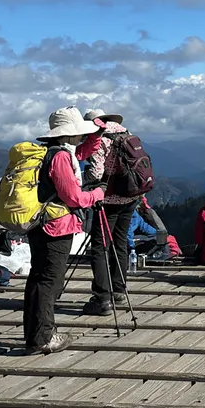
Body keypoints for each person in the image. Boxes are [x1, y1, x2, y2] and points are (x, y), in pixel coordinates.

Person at [24, 107, 107, 355]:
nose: (81, 137)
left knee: (39, 279)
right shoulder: (60, 158)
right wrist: (97, 194)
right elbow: (72, 197)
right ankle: (43, 338)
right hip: (55, 227)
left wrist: (96, 134)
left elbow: (81, 152)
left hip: (40, 225)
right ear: (68, 134)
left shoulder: (51, 153)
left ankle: (36, 335)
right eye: (79, 133)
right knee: (49, 281)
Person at [80, 108, 139, 317]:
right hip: (132, 196)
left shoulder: (100, 139)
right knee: (120, 241)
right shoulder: (126, 134)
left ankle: (102, 298)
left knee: (100, 246)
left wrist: (83, 177)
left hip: (109, 200)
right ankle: (119, 290)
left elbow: (96, 174)